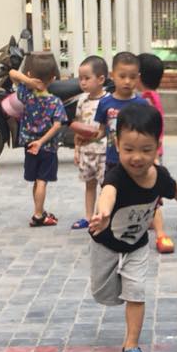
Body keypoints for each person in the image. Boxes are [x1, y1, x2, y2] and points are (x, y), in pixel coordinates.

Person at [89, 102, 177, 352]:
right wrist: (103, 212)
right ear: (117, 145)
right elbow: (108, 193)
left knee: (136, 292)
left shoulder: (159, 176)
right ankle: (121, 287)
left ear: (157, 147)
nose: (137, 157)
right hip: (106, 244)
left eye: (146, 150)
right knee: (103, 292)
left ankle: (131, 346)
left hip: (137, 246)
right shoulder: (117, 175)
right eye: (129, 149)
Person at [7, 52, 68, 227]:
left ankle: (38, 210)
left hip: (29, 145)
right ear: (53, 78)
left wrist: (28, 81)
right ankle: (38, 214)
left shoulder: (26, 95)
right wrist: (41, 142)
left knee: (36, 180)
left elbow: (12, 73)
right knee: (42, 180)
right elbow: (57, 125)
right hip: (47, 147)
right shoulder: (55, 102)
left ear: (29, 74)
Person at [138, 52, 174, 255]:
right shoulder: (153, 96)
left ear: (139, 76)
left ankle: (160, 231)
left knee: (151, 191)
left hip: (150, 153)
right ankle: (150, 221)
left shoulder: (146, 99)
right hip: (154, 151)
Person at [94, 51, 148, 175]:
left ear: (138, 77)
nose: (127, 81)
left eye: (132, 77)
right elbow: (101, 131)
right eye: (122, 76)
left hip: (136, 161)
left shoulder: (142, 104)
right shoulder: (104, 103)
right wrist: (87, 138)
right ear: (112, 75)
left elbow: (147, 133)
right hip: (112, 160)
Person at [71, 55, 109, 230]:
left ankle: (102, 216)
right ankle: (88, 217)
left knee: (105, 186)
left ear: (101, 79)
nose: (83, 82)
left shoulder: (108, 100)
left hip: (104, 151)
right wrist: (76, 150)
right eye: (80, 78)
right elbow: (78, 126)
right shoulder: (82, 100)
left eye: (87, 78)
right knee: (89, 185)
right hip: (86, 151)